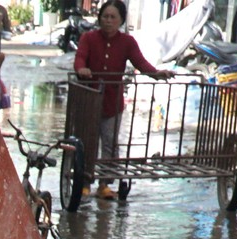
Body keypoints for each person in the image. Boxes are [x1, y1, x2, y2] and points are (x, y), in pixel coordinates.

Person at [71, 0, 169, 198]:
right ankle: (84, 182)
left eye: (113, 17)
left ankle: (105, 184)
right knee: (87, 142)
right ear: (99, 18)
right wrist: (82, 69)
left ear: (121, 20)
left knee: (110, 144)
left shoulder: (127, 42)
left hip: (112, 101)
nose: (108, 21)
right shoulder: (88, 38)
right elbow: (80, 58)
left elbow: (140, 62)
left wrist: (156, 73)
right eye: (105, 17)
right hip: (89, 99)